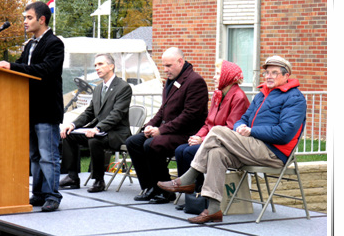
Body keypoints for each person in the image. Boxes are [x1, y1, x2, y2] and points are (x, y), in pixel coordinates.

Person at [157, 55, 307, 223]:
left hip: (273, 152)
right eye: (267, 73)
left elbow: (284, 133)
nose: (269, 76)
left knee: (218, 131)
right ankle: (213, 210)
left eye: (274, 73)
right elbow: (243, 118)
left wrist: (252, 131)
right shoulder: (262, 94)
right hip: (252, 147)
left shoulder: (295, 99)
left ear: (287, 76)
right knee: (217, 153)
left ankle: (189, 178)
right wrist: (240, 127)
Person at [0, 1, 64, 212]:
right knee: (35, 155)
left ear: (42, 19)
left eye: (29, 18)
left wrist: (12, 65)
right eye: (24, 18)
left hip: (47, 109)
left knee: (49, 156)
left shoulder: (55, 43)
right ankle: (39, 193)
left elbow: (44, 70)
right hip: (26, 109)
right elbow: (21, 68)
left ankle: (52, 195)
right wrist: (0, 69)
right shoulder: (30, 44)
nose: (24, 22)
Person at [125, 47, 209, 204]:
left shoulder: (195, 81)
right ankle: (150, 187)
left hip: (186, 134)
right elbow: (163, 110)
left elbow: (189, 116)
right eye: (163, 66)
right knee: (133, 142)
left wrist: (161, 130)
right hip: (170, 131)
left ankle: (165, 191)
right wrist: (149, 126)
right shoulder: (171, 81)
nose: (165, 70)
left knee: (152, 144)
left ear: (180, 62)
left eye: (168, 66)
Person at [174, 59, 250, 208]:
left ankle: (199, 195)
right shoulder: (218, 95)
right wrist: (198, 136)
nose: (214, 77)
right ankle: (189, 197)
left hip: (227, 143)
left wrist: (202, 140)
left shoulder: (238, 97)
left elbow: (229, 129)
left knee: (189, 152)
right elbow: (209, 123)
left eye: (217, 74)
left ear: (227, 77)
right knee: (180, 150)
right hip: (211, 138)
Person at [59, 53, 132, 193]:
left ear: (111, 66)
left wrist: (98, 128)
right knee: (69, 134)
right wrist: (73, 125)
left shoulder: (123, 87)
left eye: (100, 64)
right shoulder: (98, 88)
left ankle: (99, 180)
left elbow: (117, 114)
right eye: (95, 65)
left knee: (94, 140)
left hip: (117, 133)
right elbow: (89, 112)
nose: (97, 68)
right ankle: (72, 177)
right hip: (100, 131)